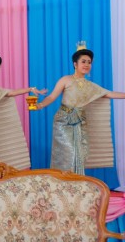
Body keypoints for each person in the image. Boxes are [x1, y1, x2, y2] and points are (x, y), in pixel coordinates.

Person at [36, 43, 125, 174]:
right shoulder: (66, 80)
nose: (86, 64)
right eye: (83, 61)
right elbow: (52, 97)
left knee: (80, 154)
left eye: (89, 62)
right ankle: (63, 182)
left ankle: (77, 182)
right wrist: (39, 105)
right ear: (75, 64)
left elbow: (109, 94)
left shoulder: (90, 85)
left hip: (79, 121)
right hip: (63, 120)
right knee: (68, 153)